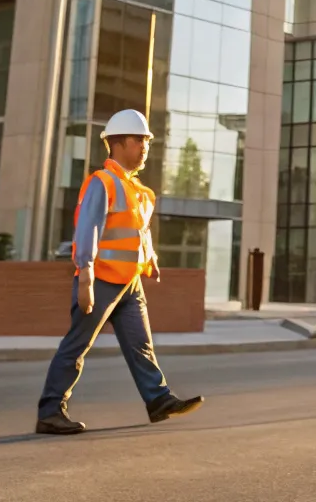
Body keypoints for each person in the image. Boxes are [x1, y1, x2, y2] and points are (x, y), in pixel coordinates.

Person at [35, 108, 204, 435]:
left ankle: (158, 399)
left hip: (129, 283)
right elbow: (88, 229)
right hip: (100, 281)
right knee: (76, 347)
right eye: (138, 140)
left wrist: (150, 256)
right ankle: (50, 411)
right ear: (118, 143)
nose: (144, 146)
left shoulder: (138, 190)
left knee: (142, 346)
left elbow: (139, 230)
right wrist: (85, 275)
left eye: (146, 141)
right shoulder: (103, 182)